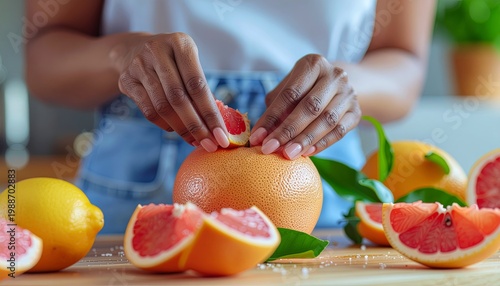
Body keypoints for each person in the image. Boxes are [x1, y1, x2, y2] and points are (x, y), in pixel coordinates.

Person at [25, 0, 436, 234]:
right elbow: (43, 59)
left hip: (314, 189)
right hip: (130, 196)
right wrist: (122, 55)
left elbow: (405, 64)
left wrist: (350, 85)